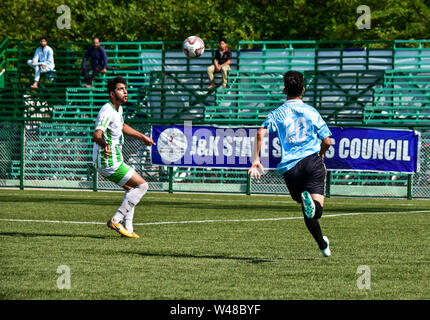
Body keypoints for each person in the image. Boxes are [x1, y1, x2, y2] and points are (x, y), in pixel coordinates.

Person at [248, 70, 333, 257]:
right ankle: (315, 213)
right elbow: (327, 141)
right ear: (303, 90)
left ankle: (322, 246)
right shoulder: (311, 111)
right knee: (314, 211)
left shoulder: (277, 113)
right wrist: (321, 154)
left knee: (305, 208)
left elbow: (260, 133)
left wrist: (256, 160)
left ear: (284, 91)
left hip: (290, 168)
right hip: (312, 161)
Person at [92, 77, 155, 238]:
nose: (125, 92)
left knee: (131, 190)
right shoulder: (106, 111)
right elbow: (97, 134)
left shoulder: (117, 109)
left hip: (113, 158)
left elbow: (122, 126)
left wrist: (142, 137)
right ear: (112, 94)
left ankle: (128, 228)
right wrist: (104, 145)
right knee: (142, 186)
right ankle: (116, 219)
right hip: (108, 160)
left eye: (125, 89)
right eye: (121, 89)